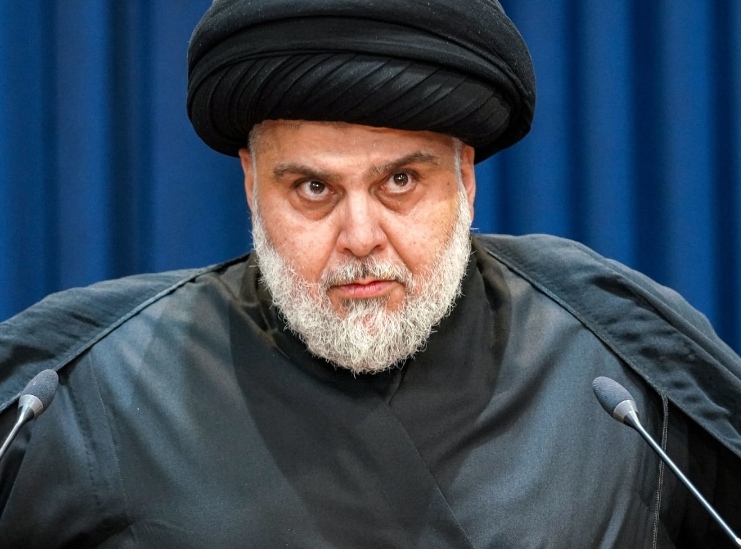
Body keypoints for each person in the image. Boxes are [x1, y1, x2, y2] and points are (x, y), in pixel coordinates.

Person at [0, 0, 739, 547]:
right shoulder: (94, 386)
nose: (360, 237)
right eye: (313, 188)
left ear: (465, 177)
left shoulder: (611, 365)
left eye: (400, 182)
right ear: (251, 184)